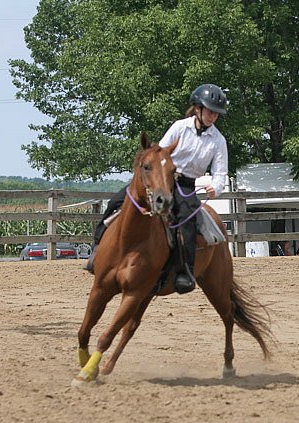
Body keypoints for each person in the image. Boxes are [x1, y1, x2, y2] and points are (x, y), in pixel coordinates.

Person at [89, 83, 229, 294]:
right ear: (198, 108)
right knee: (117, 201)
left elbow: (220, 173)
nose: (213, 117)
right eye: (210, 111)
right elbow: (159, 152)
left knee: (187, 224)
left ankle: (185, 272)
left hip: (186, 187)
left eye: (216, 114)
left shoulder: (218, 141)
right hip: (162, 178)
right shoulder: (180, 127)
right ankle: (98, 248)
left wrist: (215, 188)